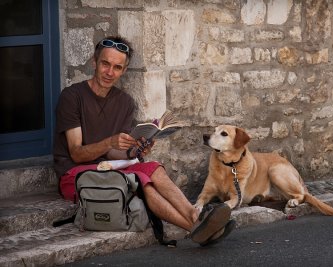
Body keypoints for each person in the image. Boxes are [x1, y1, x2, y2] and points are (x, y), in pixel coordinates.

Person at [53, 35, 234, 246]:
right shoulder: (72, 96)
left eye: (117, 67)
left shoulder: (124, 102)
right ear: (94, 62)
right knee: (141, 183)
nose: (110, 73)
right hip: (76, 175)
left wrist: (134, 151)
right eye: (105, 64)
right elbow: (76, 153)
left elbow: (114, 153)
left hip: (109, 167)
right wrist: (109, 142)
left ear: (124, 70)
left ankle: (197, 219)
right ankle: (198, 228)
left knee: (153, 168)